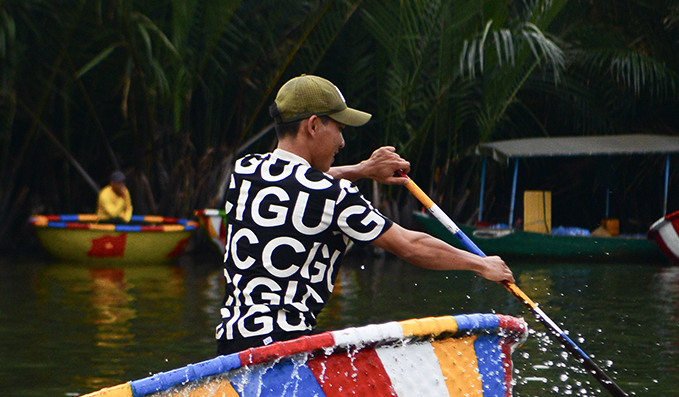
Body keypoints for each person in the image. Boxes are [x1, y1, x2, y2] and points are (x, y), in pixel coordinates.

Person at [215, 74, 513, 354]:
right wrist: (479, 264)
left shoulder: (246, 170)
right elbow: (409, 245)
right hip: (284, 350)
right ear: (314, 125)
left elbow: (299, 180)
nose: (343, 143)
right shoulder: (335, 195)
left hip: (231, 345)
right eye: (340, 130)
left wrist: (363, 170)